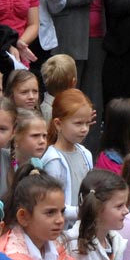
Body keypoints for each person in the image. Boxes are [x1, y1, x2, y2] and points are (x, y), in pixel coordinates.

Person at [42, 89, 94, 224]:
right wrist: (85, 212)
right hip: (61, 230)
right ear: (58, 124)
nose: (84, 129)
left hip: (82, 228)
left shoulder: (85, 154)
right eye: (78, 123)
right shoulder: (53, 161)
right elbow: (52, 204)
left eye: (87, 123)